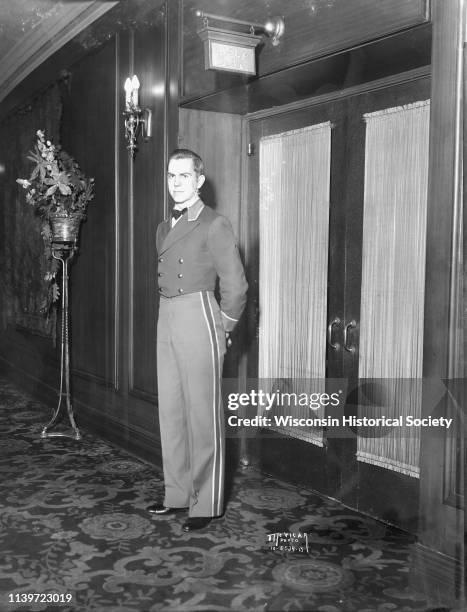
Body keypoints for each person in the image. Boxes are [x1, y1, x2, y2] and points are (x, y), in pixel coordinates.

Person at [148, 149, 248, 532]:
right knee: (171, 409)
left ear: (199, 181)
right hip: (167, 317)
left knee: (202, 414)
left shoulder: (214, 224)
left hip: (201, 317)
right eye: (172, 176)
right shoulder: (163, 227)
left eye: (184, 176)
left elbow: (236, 286)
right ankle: (177, 493)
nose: (176, 183)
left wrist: (222, 327)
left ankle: (206, 502)